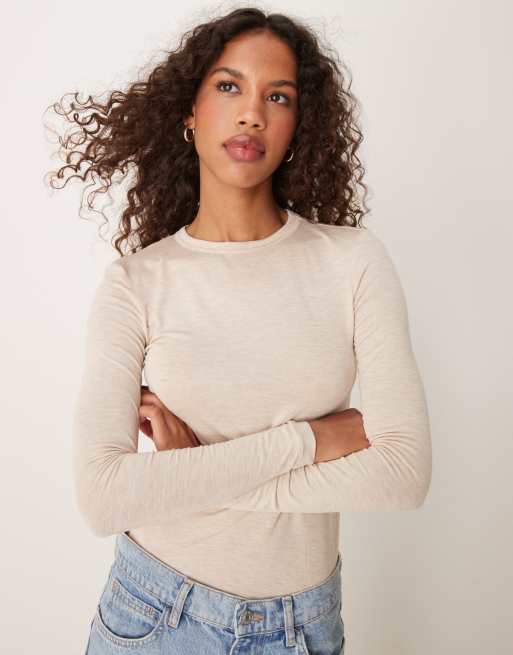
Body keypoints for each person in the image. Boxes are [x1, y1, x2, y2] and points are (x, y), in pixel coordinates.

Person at [47, 7, 432, 654]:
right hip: (153, 618)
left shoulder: (352, 261)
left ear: (297, 125)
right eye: (229, 86)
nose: (251, 113)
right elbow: (103, 498)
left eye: (277, 97)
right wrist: (312, 439)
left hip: (303, 627)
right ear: (189, 111)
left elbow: (401, 475)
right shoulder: (136, 283)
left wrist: (190, 474)